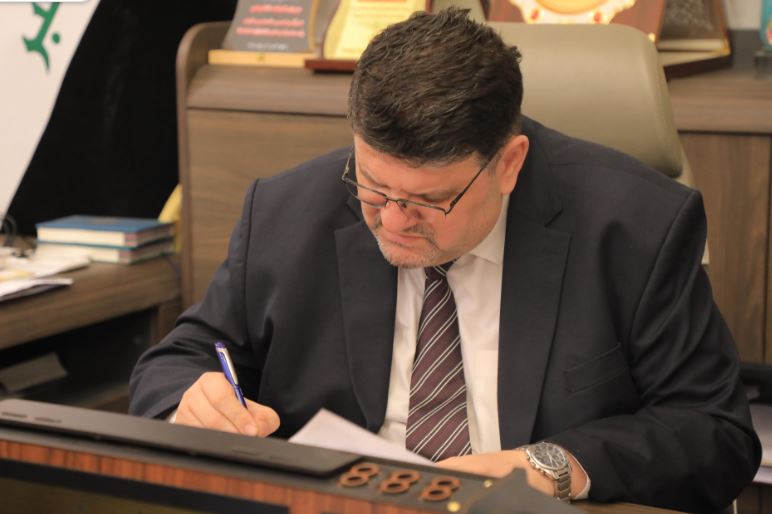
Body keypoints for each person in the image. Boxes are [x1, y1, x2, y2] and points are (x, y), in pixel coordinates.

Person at [129, 8, 760, 512]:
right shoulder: (287, 211)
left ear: (509, 164)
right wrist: (193, 401)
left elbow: (713, 432)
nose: (392, 221)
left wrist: (549, 467)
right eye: (373, 187)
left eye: (429, 201)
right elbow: (180, 359)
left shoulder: (635, 226)